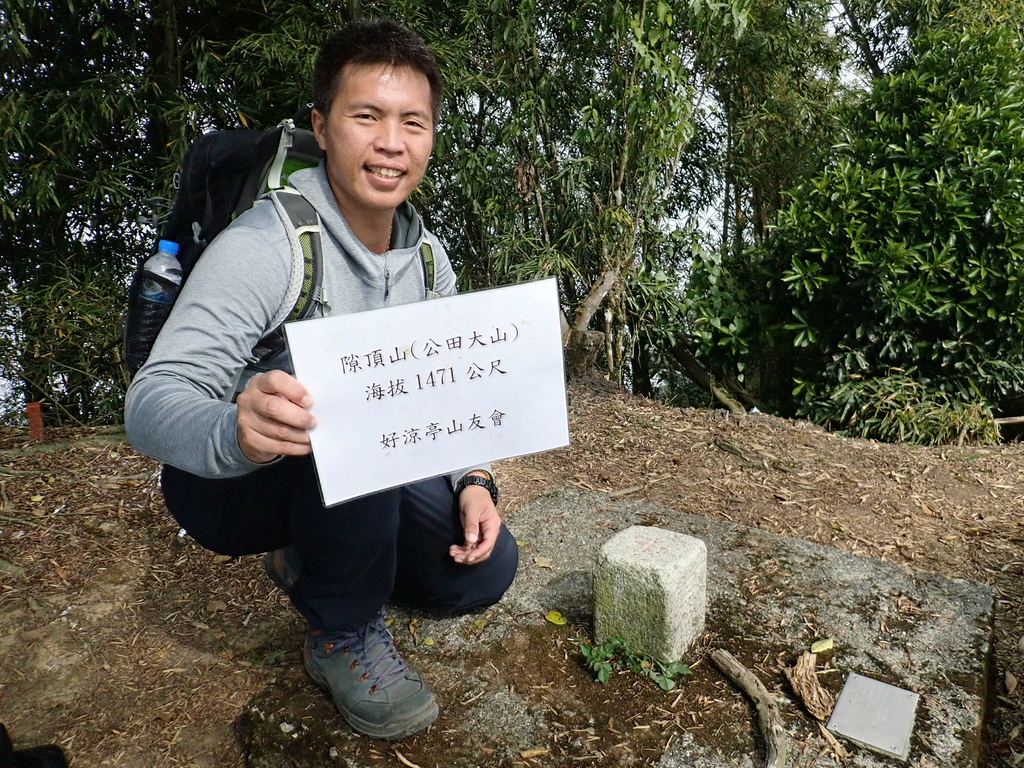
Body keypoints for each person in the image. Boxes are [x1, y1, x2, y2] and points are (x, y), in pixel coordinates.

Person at [125, 18, 518, 741]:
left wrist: (474, 479)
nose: (391, 142)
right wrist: (237, 428)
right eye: (366, 116)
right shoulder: (267, 245)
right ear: (322, 127)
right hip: (232, 481)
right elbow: (150, 400)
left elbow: (449, 397)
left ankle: (313, 555)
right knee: (352, 422)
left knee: (480, 573)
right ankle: (342, 632)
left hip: (354, 476)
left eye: (413, 122)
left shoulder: (429, 260)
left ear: (431, 137)